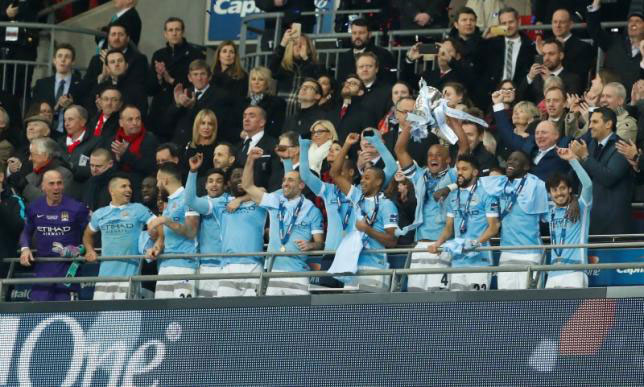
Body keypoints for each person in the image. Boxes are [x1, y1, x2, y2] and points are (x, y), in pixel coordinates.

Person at [395, 113, 468, 291]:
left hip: (443, 242)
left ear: (448, 160)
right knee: (415, 294)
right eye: (430, 155)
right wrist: (409, 124)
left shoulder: (453, 174)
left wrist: (452, 121)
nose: (433, 158)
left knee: (439, 296)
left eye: (438, 155)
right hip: (420, 243)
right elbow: (400, 150)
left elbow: (464, 147)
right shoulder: (419, 175)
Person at [241, 147, 324, 295]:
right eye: (284, 180)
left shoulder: (312, 210)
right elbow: (247, 186)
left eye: (290, 180)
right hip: (273, 273)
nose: (285, 183)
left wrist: (311, 244)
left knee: (299, 318)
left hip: (298, 274)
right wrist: (250, 160)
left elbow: (320, 243)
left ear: (301, 185)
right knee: (272, 317)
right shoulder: (274, 201)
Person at [186, 153, 267, 297]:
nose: (241, 179)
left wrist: (240, 200)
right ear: (229, 184)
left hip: (254, 266)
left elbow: (263, 191)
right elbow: (191, 201)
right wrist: (193, 172)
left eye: (244, 176)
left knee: (253, 315)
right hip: (227, 267)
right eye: (236, 176)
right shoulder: (220, 204)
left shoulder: (260, 202)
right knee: (222, 314)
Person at [329, 132, 399, 289]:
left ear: (378, 181)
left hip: (375, 268)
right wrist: (347, 144)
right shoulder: (356, 196)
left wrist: (367, 229)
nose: (362, 180)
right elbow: (334, 174)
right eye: (362, 177)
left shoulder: (387, 205)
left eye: (367, 178)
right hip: (351, 266)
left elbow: (392, 241)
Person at [83, 174, 162, 299]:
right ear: (112, 191)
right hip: (104, 278)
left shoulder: (139, 209)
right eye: (123, 186)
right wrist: (90, 250)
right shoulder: (100, 214)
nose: (129, 189)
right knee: (103, 317)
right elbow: (87, 235)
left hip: (130, 278)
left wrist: (156, 244)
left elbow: (159, 226)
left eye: (129, 186)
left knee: (128, 317)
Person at [428, 155, 500, 291]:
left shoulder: (486, 194)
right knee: (458, 307)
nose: (460, 172)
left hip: (480, 260)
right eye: (458, 169)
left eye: (464, 169)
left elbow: (494, 227)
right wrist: (438, 243)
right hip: (457, 260)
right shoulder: (453, 196)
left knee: (477, 306)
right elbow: (449, 228)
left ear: (475, 172)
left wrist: (476, 243)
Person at [480, 151, 549, 290]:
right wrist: (449, 187)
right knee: (506, 302)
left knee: (532, 304)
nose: (510, 162)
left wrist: (573, 202)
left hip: (531, 253)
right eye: (509, 160)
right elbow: (471, 184)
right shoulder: (499, 184)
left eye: (516, 160)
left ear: (526, 167)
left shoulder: (537, 185)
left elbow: (558, 202)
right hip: (507, 252)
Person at [19, 170, 90, 301]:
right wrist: (25, 248)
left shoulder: (77, 208)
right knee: (38, 309)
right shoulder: (34, 207)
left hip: (68, 268)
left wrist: (80, 249)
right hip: (43, 267)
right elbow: (26, 232)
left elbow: (90, 235)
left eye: (59, 183)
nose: (56, 187)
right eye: (51, 184)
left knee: (65, 310)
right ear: (43, 186)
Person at [569, 107, 633, 235]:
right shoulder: (590, 144)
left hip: (612, 223)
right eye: (590, 122)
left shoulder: (621, 146)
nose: (590, 126)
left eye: (595, 122)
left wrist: (585, 157)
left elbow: (609, 178)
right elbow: (579, 178)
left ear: (608, 124)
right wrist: (572, 159)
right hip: (589, 218)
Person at [146, 162, 200, 298]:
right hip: (165, 265)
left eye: (158, 181)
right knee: (162, 317)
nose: (157, 185)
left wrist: (166, 220)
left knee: (182, 317)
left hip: (184, 266)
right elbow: (165, 237)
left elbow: (191, 232)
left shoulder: (188, 198)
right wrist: (157, 246)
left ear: (165, 180)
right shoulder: (169, 203)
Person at [492, 90, 571, 181]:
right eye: (537, 133)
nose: (539, 136)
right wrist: (498, 104)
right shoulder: (530, 147)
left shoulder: (564, 148)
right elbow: (508, 134)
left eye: (544, 132)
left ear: (556, 135)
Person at [147, 17, 205, 138]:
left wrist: (170, 80)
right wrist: (159, 76)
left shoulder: (195, 54)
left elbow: (198, 83)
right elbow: (150, 89)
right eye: (170, 30)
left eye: (177, 29)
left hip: (182, 111)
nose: (174, 33)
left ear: (183, 32)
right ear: (165, 34)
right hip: (159, 112)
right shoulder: (158, 55)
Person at [544, 147, 593, 289]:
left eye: (562, 188)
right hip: (552, 274)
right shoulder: (549, 211)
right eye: (554, 190)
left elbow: (588, 185)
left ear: (570, 189)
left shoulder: (582, 207)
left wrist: (572, 159)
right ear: (550, 193)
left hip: (575, 272)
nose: (559, 193)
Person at [162, 59, 231, 145]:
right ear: (189, 78)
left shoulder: (220, 96)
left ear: (209, 77)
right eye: (195, 74)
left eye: (203, 74)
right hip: (179, 144)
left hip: (201, 146)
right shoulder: (184, 93)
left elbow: (215, 122)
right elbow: (167, 121)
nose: (199, 78)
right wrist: (177, 104)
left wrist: (193, 106)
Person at [587, 0, 644, 93]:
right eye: (630, 21)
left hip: (638, 103)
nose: (633, 24)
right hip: (610, 100)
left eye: (638, 21)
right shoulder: (614, 42)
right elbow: (594, 30)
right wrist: (596, 3)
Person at [32, 44, 84, 139]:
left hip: (70, 134)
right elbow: (34, 110)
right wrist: (55, 108)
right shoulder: (42, 84)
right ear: (54, 61)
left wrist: (71, 106)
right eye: (59, 56)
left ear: (73, 62)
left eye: (67, 57)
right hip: (45, 132)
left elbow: (84, 111)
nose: (63, 60)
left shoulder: (81, 85)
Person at [483, 7, 537, 95]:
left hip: (520, 94)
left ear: (519, 21)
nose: (507, 26)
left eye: (511, 22)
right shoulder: (491, 44)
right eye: (504, 23)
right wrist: (484, 38)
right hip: (494, 95)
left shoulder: (530, 46)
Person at [269, 30, 323, 117]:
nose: (298, 47)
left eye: (302, 45)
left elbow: (318, 78)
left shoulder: (313, 65)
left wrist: (305, 58)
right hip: (281, 111)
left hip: (304, 112)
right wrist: (283, 43)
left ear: (309, 48)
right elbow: (271, 70)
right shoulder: (284, 65)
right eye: (294, 44)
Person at [87, 48, 147, 119]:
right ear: (107, 68)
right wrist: (99, 111)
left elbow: (142, 113)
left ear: (126, 66)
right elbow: (90, 112)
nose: (117, 64)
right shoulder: (99, 88)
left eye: (120, 61)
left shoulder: (137, 88)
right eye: (112, 62)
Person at [110, 105, 159, 190]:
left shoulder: (149, 139)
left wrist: (125, 155)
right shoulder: (114, 140)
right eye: (130, 119)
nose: (135, 123)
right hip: (118, 184)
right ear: (121, 123)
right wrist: (118, 160)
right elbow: (109, 168)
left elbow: (150, 167)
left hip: (140, 184)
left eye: (138, 119)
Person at [518, 38, 582, 104]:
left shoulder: (573, 79)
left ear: (561, 56)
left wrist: (550, 80)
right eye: (544, 54)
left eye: (551, 54)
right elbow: (520, 98)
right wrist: (530, 77)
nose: (546, 58)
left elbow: (568, 104)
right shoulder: (536, 76)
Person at [335, 18, 396, 84]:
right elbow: (340, 83)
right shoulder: (344, 57)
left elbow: (389, 80)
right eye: (354, 33)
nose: (357, 36)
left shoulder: (383, 54)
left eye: (361, 33)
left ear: (369, 34)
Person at [58, 105, 101, 199]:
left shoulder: (95, 142)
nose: (66, 123)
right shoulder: (59, 142)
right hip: (59, 192)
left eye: (70, 119)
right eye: (65, 120)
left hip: (83, 193)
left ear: (83, 121)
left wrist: (72, 167)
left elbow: (96, 169)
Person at [235, 106, 279, 191]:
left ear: (262, 122)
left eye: (252, 116)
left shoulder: (273, 145)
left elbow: (275, 177)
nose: (246, 119)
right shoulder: (238, 146)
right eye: (244, 116)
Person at [330, 74, 375, 142]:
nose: (347, 85)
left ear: (360, 92)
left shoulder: (365, 113)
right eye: (346, 82)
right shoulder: (332, 109)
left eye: (353, 83)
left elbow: (368, 139)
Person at [244, 66, 286, 139]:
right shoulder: (243, 101)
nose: (256, 82)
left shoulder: (277, 103)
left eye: (261, 79)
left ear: (267, 82)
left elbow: (275, 129)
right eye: (253, 79)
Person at [355, 52, 392, 121]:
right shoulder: (350, 91)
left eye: (369, 66)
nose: (365, 70)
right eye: (361, 67)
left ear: (376, 69)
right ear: (357, 71)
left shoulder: (388, 92)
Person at [181, 109, 217, 178]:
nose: (206, 127)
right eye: (203, 123)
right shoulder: (187, 147)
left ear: (214, 127)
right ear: (197, 125)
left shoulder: (216, 149)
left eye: (210, 124)